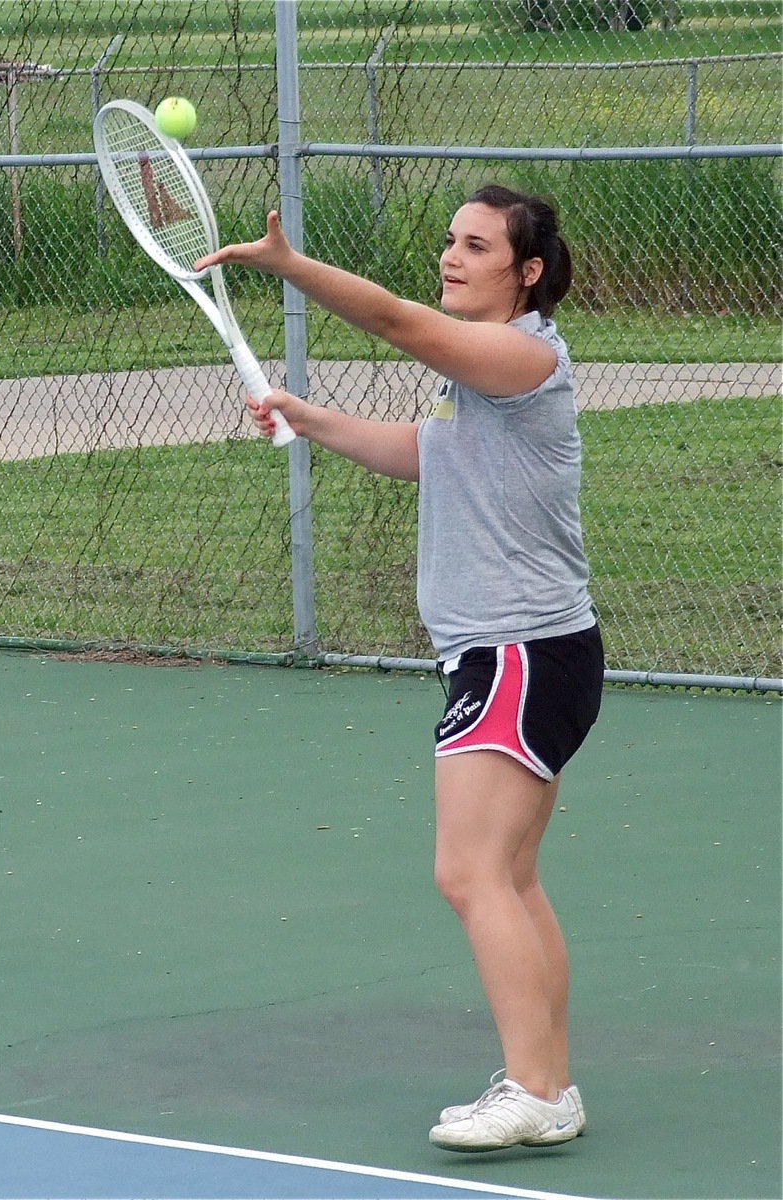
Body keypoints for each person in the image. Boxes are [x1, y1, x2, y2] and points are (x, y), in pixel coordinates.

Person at [196, 184, 604, 1153]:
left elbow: (394, 321)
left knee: (469, 874)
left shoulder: (521, 355)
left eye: (476, 246)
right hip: (525, 652)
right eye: (447, 242)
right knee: (510, 874)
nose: (451, 257)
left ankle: (538, 1093)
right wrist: (307, 413)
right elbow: (428, 451)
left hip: (519, 653)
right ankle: (545, 1083)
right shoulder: (484, 380)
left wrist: (290, 268)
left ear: (528, 271)